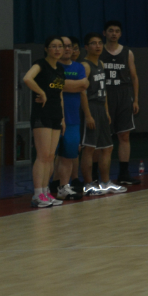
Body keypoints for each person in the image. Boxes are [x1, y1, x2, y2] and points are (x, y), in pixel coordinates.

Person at [22, 36, 69, 208]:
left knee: (50, 156)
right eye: (53, 46)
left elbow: (60, 94)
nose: (57, 49)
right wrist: (41, 92)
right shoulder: (40, 64)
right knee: (42, 156)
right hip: (42, 114)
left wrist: (63, 118)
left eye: (60, 46)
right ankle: (37, 194)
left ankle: (45, 191)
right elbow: (27, 78)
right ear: (46, 49)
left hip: (56, 114)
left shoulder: (60, 69)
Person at [100, 21, 141, 186]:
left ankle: (124, 173)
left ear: (120, 34)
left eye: (117, 31)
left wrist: (136, 99)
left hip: (123, 95)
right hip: (105, 96)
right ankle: (98, 176)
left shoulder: (127, 52)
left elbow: (134, 77)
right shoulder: (99, 51)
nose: (114, 34)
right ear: (105, 33)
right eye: (111, 31)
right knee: (102, 138)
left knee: (124, 135)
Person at [79, 33, 119, 195]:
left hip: (101, 108)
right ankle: (88, 184)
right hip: (91, 107)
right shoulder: (85, 65)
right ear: (86, 47)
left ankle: (105, 182)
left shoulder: (101, 63)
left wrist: (106, 111)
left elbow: (105, 90)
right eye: (93, 43)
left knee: (107, 147)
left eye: (100, 43)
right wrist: (88, 115)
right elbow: (82, 92)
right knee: (89, 148)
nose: (97, 46)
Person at [55, 36, 92, 201]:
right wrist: (73, 85)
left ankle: (64, 187)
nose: (68, 49)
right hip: (53, 118)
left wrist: (63, 84)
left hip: (73, 119)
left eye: (70, 46)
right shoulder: (52, 66)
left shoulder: (79, 67)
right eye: (64, 46)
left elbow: (84, 85)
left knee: (69, 155)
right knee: (48, 157)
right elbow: (54, 85)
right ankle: (43, 190)